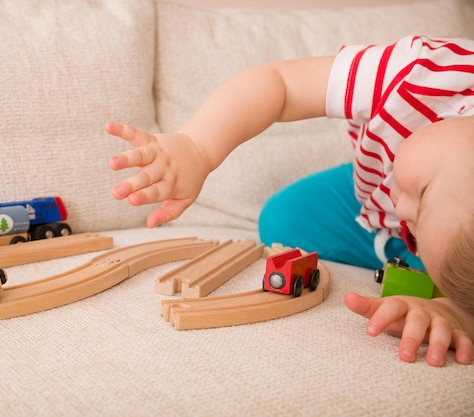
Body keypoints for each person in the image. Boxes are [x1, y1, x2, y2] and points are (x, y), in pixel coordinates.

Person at [105, 35, 474, 367]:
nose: (404, 211)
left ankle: (437, 280)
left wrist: (454, 309)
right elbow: (279, 84)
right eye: (423, 195)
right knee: (283, 219)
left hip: (417, 221)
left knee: (455, 282)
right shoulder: (422, 73)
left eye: (419, 224)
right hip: (368, 188)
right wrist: (198, 146)